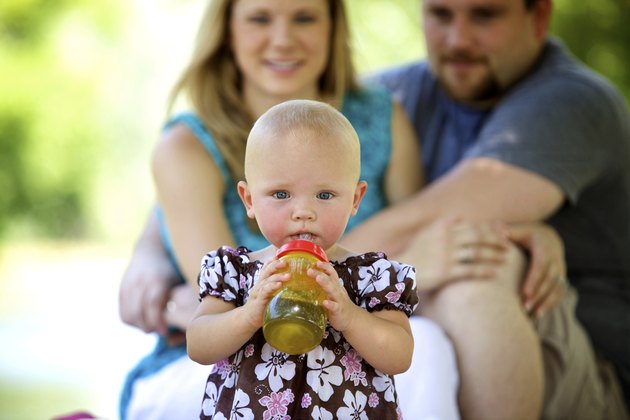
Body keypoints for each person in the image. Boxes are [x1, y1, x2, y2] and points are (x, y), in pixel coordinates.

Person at [118, 0, 462, 419]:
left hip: (343, 386)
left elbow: (418, 237)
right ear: (228, 30)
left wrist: (351, 313)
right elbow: (203, 319)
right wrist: (247, 307)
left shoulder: (381, 118)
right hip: (241, 381)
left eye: (304, 17)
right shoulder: (189, 154)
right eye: (260, 18)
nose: (283, 39)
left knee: (430, 342)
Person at [343, 0, 630, 418]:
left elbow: (430, 224)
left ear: (539, 17)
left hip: (591, 382)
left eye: (485, 15)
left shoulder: (574, 102)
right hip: (437, 345)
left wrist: (304, 276)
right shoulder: (390, 100)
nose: (458, 39)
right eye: (441, 15)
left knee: (479, 259)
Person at [187, 99, 417, 418]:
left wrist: (350, 316)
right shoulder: (234, 273)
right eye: (281, 194)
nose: (303, 212)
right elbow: (198, 344)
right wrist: (249, 313)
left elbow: (400, 356)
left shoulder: (372, 277)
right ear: (250, 199)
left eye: (324, 195)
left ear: (355, 199)